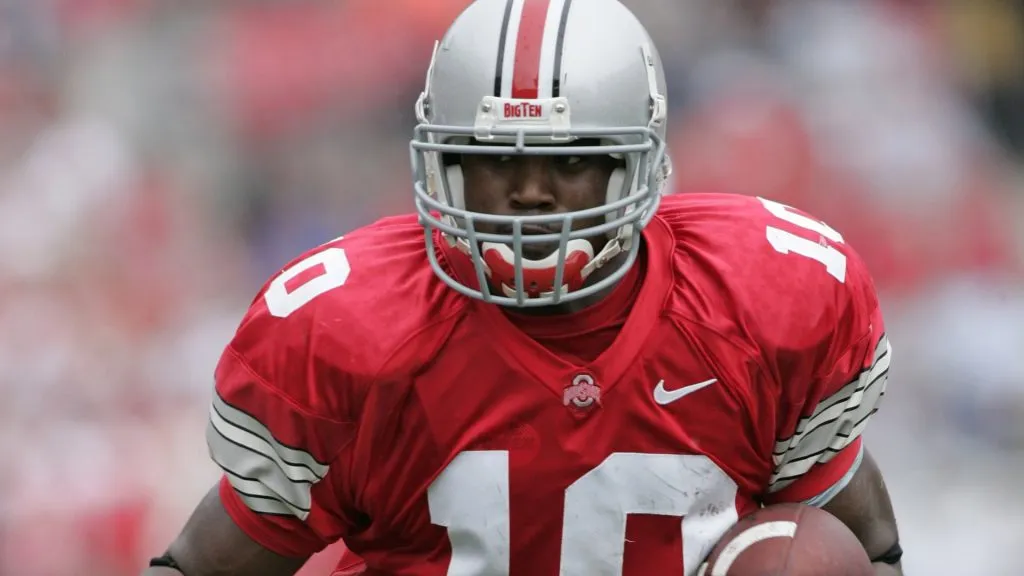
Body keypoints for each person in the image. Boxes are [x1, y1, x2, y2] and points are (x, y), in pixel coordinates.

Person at [144, 0, 902, 574]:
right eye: (496, 160)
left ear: (636, 164)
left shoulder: (755, 301)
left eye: (569, 160)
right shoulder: (353, 331)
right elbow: (202, 565)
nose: (531, 193)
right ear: (445, 163)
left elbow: (866, 546)